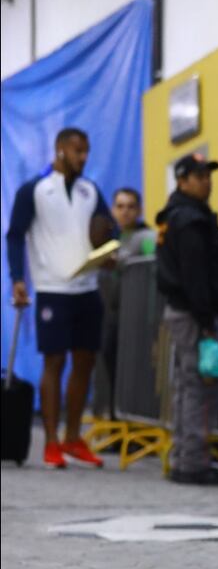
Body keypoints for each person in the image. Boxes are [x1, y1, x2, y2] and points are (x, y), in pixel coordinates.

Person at [6, 127, 111, 470]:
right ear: (61, 149)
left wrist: (108, 248)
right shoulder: (34, 189)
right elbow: (15, 235)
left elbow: (107, 228)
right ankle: (51, 442)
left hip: (87, 287)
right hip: (53, 289)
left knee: (85, 361)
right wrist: (18, 279)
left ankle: (73, 438)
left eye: (87, 151)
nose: (84, 157)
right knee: (54, 362)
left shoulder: (89, 190)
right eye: (78, 151)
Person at [155, 153, 218, 485]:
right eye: (200, 176)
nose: (207, 182)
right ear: (182, 180)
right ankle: (194, 463)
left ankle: (183, 457)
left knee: (186, 386)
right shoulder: (190, 219)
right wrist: (206, 321)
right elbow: (195, 275)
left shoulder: (176, 214)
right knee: (200, 387)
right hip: (193, 314)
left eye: (208, 175)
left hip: (182, 311)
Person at [92, 187, 157, 420]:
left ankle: (139, 423)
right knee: (110, 367)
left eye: (131, 206)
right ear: (112, 210)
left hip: (139, 317)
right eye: (120, 206)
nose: (125, 211)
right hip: (113, 315)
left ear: (139, 210)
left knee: (138, 372)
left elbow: (154, 266)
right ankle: (114, 419)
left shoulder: (147, 237)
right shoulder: (112, 239)